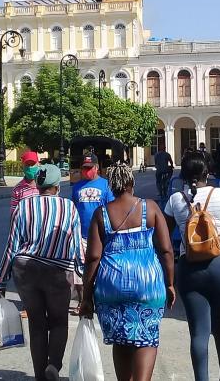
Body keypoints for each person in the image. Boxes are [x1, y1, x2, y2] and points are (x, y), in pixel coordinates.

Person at [164, 151, 220, 381]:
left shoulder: (175, 200)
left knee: (199, 333)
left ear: (183, 174)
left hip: (189, 269)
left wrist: (168, 278)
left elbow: (164, 240)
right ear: (207, 172)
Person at [79, 163, 175, 381]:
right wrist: (169, 283)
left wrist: (87, 296)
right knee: (147, 340)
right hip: (147, 284)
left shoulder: (101, 213)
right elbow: (166, 250)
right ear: (132, 183)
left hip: (111, 285)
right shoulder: (149, 208)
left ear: (111, 186)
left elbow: (93, 257)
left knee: (121, 339)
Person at [0, 164, 85, 381]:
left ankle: (39, 376)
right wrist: (81, 276)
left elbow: (12, 246)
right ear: (56, 186)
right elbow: (76, 248)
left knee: (36, 323)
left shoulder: (22, 207)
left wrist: (1, 280)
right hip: (57, 270)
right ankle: (54, 365)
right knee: (58, 321)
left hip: (26, 270)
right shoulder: (69, 207)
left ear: (38, 185)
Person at [71, 153, 115, 311]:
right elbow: (73, 209)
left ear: (97, 168)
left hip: (101, 235)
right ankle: (82, 300)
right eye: (84, 168)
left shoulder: (105, 185)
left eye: (90, 168)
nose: (87, 171)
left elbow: (111, 208)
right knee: (79, 270)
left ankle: (100, 298)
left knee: (100, 267)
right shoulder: (76, 187)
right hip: (81, 235)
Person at [9, 150, 40, 215]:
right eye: (27, 165)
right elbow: (14, 213)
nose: (30, 167)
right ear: (23, 166)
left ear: (38, 164)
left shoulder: (45, 185)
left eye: (32, 164)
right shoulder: (17, 189)